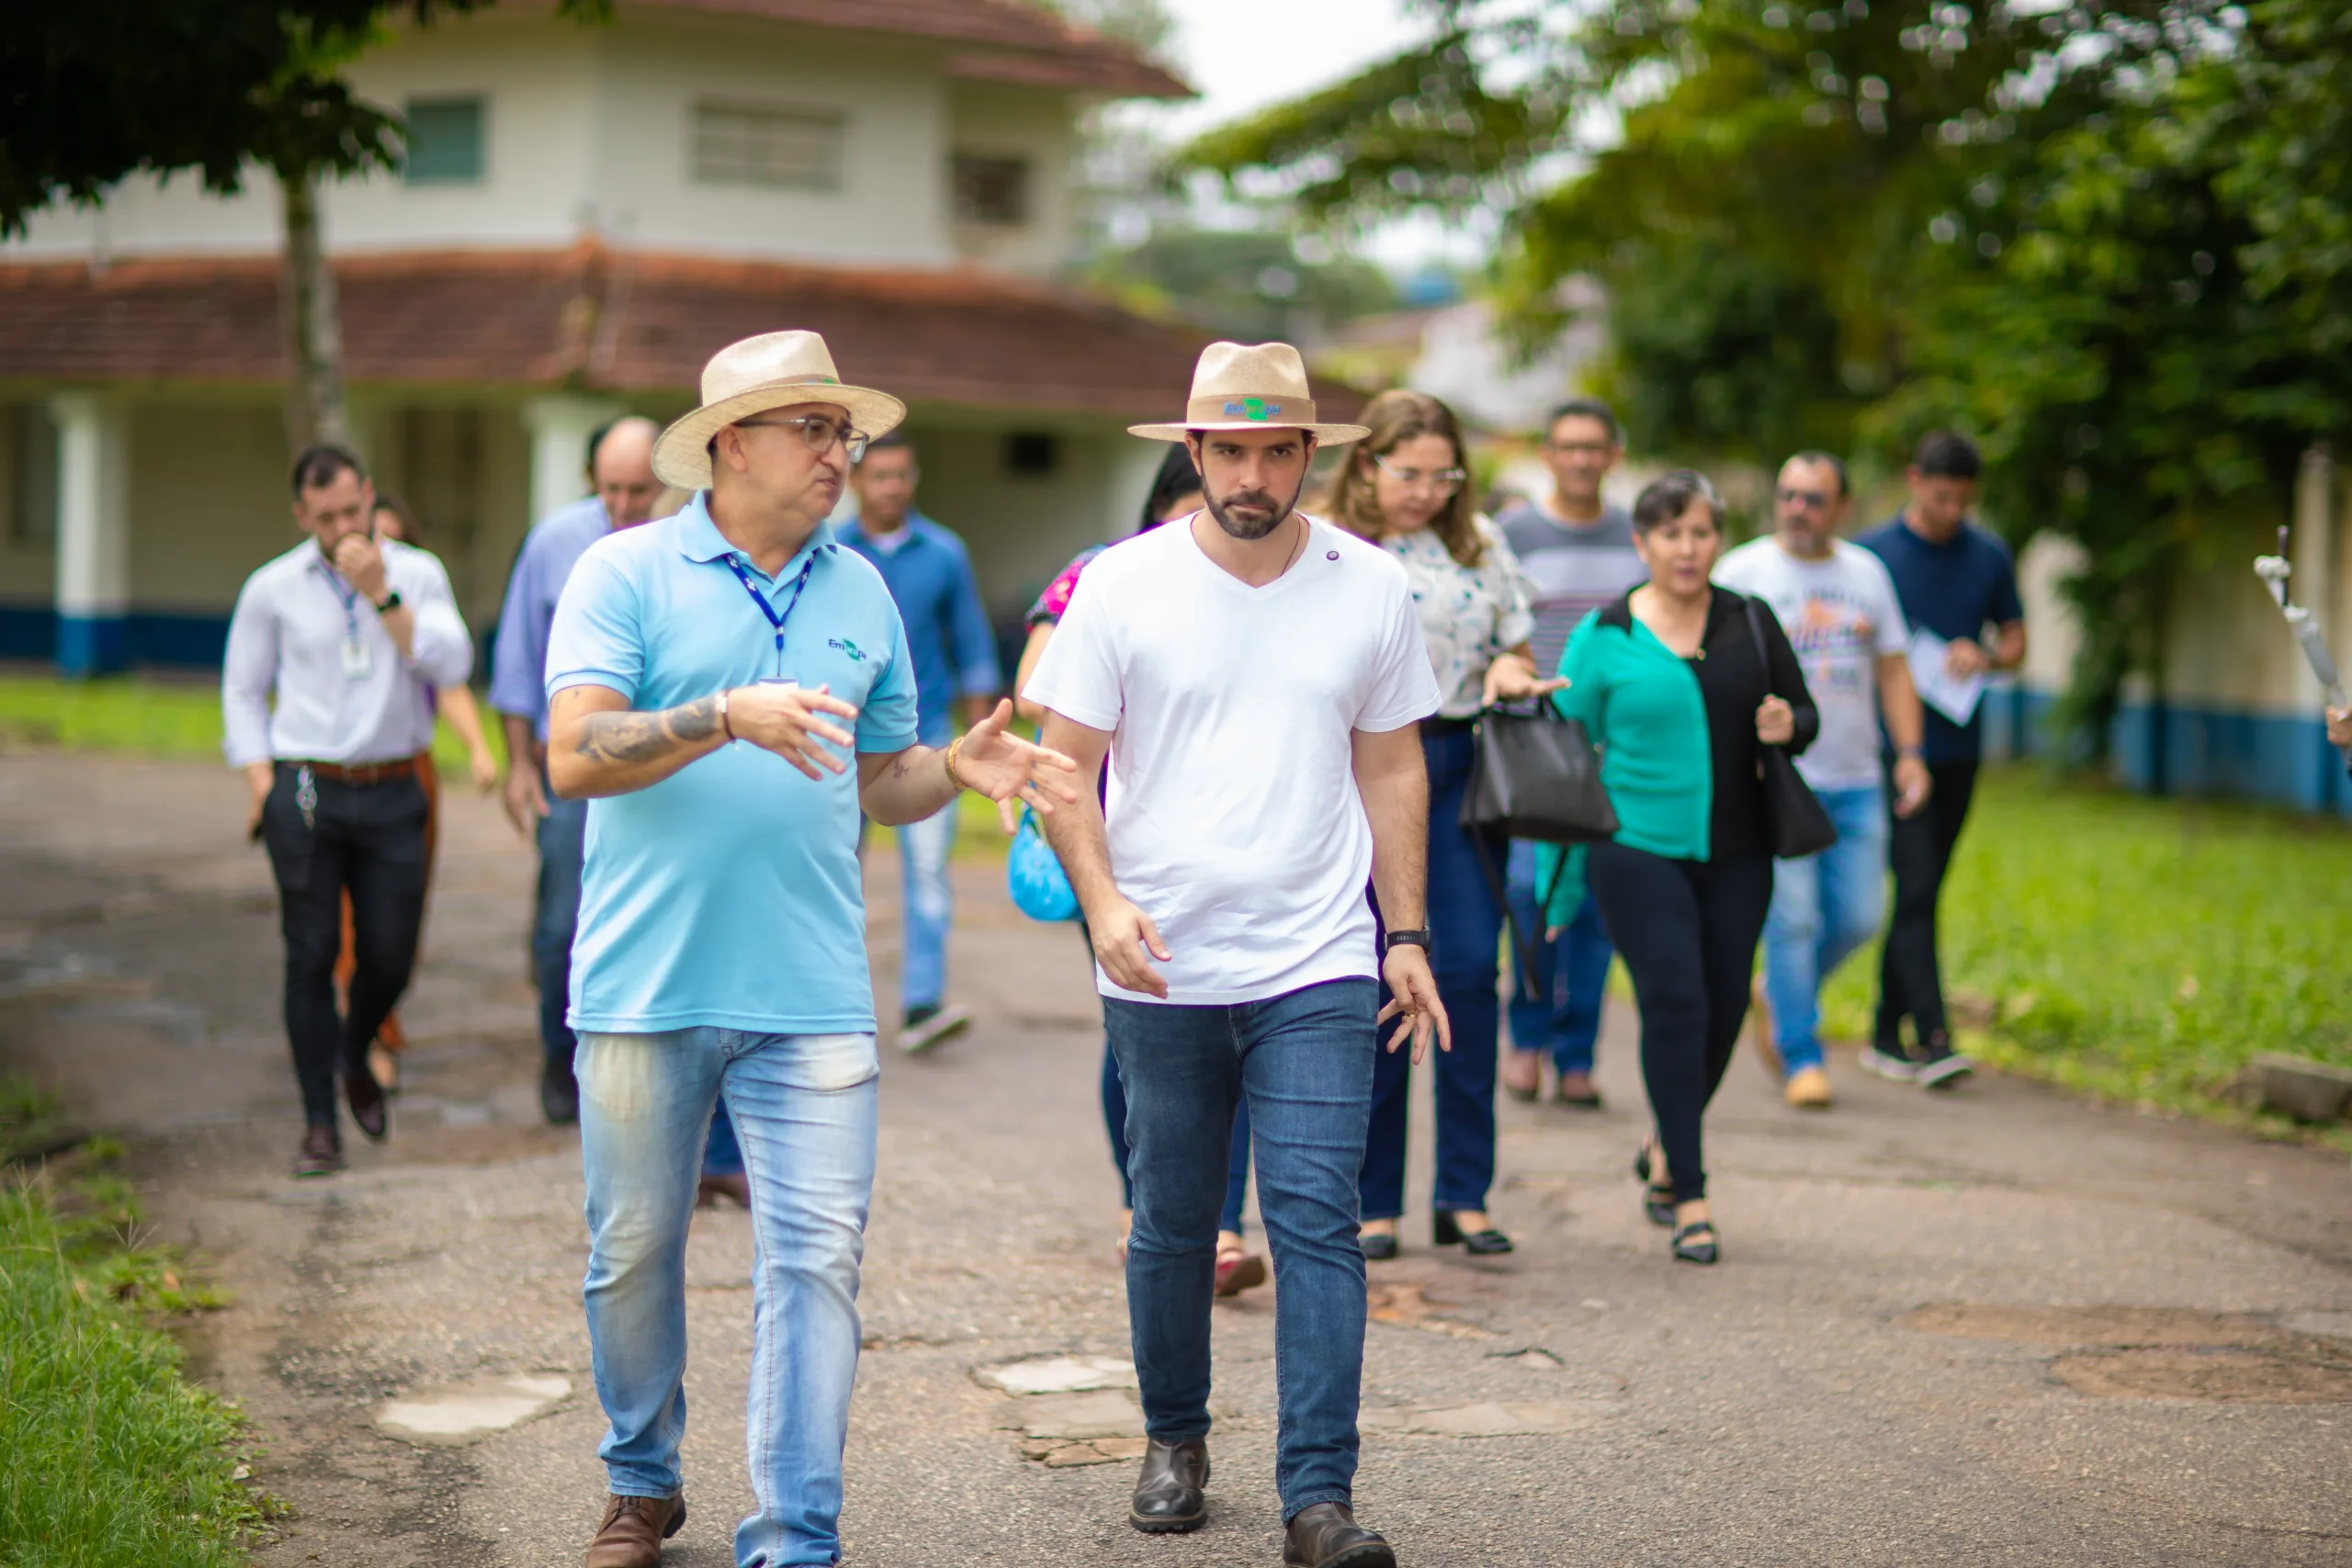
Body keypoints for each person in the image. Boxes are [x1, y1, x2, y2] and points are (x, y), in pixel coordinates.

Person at [543, 331, 1075, 1568]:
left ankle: (794, 1535)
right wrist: (722, 711)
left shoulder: (863, 588)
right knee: (630, 1253)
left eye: (849, 433)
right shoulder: (624, 571)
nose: (844, 453)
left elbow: (884, 777)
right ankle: (640, 1476)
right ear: (730, 444)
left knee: (817, 1261)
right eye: (815, 430)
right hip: (642, 984)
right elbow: (572, 754)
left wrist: (954, 765)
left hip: (814, 991)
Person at [1026, 341, 1447, 1568]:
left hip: (1320, 955)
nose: (1253, 472)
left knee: (1316, 1215)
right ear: (1193, 451)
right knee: (1171, 1218)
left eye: (1278, 449)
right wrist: (1101, 904)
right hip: (1157, 958)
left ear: (1311, 456)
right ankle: (1174, 1436)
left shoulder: (1371, 584)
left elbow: (1393, 762)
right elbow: (1063, 766)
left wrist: (1406, 930)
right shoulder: (1120, 584)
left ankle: (1319, 1494)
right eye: (1230, 448)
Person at [1538, 469, 1818, 1266]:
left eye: (1700, 533)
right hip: (1634, 848)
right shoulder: (1608, 632)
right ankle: (1689, 1192)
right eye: (1670, 534)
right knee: (1675, 1003)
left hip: (1741, 851)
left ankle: (1668, 1136)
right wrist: (1556, 875)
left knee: (1726, 1004)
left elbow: (1805, 715)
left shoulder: (1752, 621)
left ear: (1717, 539)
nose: (1687, 548)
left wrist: (1784, 721)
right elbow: (1566, 742)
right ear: (1643, 543)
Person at [1013, 445, 1266, 1298]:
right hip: (1112, 838)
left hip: (1233, 839)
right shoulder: (1100, 575)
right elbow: (1036, 698)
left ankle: (1223, 1227)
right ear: (1168, 497)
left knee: (1233, 1029)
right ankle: (1141, 1207)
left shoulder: (1263, 575)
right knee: (1140, 1024)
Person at [1329, 389, 1557, 1260]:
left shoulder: (1480, 541)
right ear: (1367, 464)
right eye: (1407, 473)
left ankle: (1464, 1191)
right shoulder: (1331, 546)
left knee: (1465, 969)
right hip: (1360, 771)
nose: (1424, 491)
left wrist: (1507, 667)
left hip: (1461, 766)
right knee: (1375, 978)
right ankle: (1373, 1198)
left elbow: (1516, 638)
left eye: (1442, 475)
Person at [222, 445, 475, 1177]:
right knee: (308, 953)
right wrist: (260, 782)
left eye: (352, 510)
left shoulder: (417, 574)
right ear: (302, 515)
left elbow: (452, 667)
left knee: (389, 953)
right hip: (305, 784)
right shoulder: (272, 588)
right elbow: (242, 689)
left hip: (396, 782)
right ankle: (318, 1126)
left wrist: (382, 593)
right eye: (325, 516)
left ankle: (356, 1045)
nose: (342, 527)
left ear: (369, 497)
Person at [1714, 453, 1933, 1109]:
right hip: (1779, 782)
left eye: (1814, 498)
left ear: (1842, 506)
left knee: (1862, 916)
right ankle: (1801, 1055)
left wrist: (1912, 753)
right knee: (1795, 921)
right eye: (1788, 494)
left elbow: (1894, 670)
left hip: (1857, 777)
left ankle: (1778, 992)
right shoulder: (1742, 571)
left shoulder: (1866, 573)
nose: (1797, 507)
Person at [1857, 431, 2027, 1089]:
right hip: (1891, 751)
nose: (1951, 509)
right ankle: (1932, 1035)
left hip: (1959, 745)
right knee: (1917, 882)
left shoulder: (1988, 555)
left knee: (1922, 888)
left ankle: (1881, 1030)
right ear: (1912, 480)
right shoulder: (1871, 555)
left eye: (1962, 499)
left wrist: (1983, 655)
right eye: (1940, 496)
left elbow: (2016, 640)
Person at [1493, 399, 1646, 1107]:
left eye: (1595, 447)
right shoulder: (1512, 534)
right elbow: (1495, 626)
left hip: (1616, 745)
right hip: (1533, 739)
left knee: (1598, 908)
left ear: (1613, 453)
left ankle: (1576, 1054)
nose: (1582, 459)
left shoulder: (1635, 535)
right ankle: (1525, 1038)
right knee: (1531, 893)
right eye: (1568, 447)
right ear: (1550, 453)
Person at [326, 494, 499, 1094]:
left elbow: (449, 683)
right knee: (346, 916)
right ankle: (371, 1037)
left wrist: (479, 747)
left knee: (395, 919)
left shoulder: (414, 599)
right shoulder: (331, 604)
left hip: (407, 773)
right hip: (342, 777)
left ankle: (375, 1019)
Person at [838, 434, 1003, 1055]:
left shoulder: (944, 554)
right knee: (835, 874)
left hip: (927, 738)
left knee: (929, 873)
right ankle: (838, 1008)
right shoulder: (831, 553)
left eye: (901, 475)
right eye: (879, 476)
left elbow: (973, 646)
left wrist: (979, 731)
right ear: (859, 481)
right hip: (840, 743)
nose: (891, 487)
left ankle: (922, 1004)